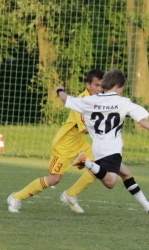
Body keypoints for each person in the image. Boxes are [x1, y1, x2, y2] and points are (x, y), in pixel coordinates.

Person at [53, 68, 149, 218]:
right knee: (111, 182)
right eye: (123, 88)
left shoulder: (91, 100)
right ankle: (86, 163)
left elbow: (66, 99)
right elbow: (141, 119)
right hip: (111, 149)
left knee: (126, 174)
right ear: (119, 86)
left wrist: (59, 90)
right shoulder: (123, 102)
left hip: (98, 148)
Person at [7, 69, 104, 213]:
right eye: (97, 85)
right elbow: (85, 129)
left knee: (99, 167)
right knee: (54, 179)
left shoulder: (96, 100)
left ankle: (70, 195)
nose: (99, 89)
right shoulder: (82, 101)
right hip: (63, 146)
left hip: (79, 144)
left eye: (102, 86)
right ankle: (16, 197)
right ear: (88, 85)